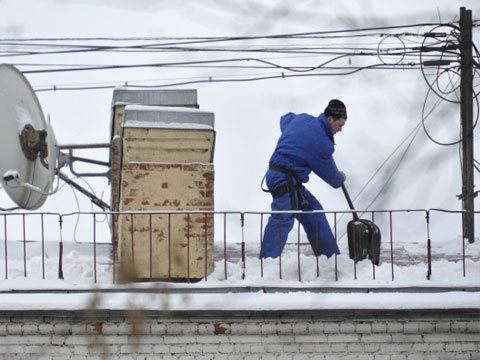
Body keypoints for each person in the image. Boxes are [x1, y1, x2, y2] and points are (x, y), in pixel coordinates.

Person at [260, 99, 347, 259]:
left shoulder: (302, 119)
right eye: (339, 125)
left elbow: (285, 119)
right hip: (284, 179)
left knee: (314, 214)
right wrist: (341, 177)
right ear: (330, 119)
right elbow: (334, 180)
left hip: (286, 178)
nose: (340, 130)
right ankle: (266, 263)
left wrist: (296, 134)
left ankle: (331, 260)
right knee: (283, 218)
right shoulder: (322, 144)